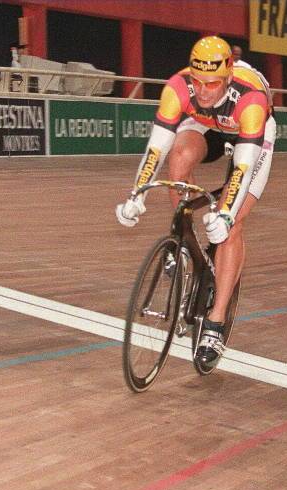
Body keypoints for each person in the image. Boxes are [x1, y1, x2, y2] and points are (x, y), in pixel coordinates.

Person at [116, 35, 276, 365]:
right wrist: (136, 193)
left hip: (249, 133)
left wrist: (226, 214)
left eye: (212, 85)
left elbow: (243, 169)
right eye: (197, 82)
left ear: (228, 78)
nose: (202, 91)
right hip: (206, 125)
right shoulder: (179, 87)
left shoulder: (251, 99)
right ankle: (184, 239)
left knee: (232, 226)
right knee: (179, 155)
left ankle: (215, 322)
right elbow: (156, 148)